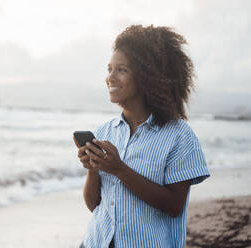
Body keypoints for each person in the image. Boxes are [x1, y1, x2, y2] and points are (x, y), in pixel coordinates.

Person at [73, 24, 210, 248]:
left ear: (147, 76)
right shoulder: (104, 132)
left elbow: (174, 205)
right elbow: (94, 205)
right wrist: (93, 168)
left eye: (122, 70)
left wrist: (119, 169)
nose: (110, 78)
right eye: (109, 69)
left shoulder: (179, 136)